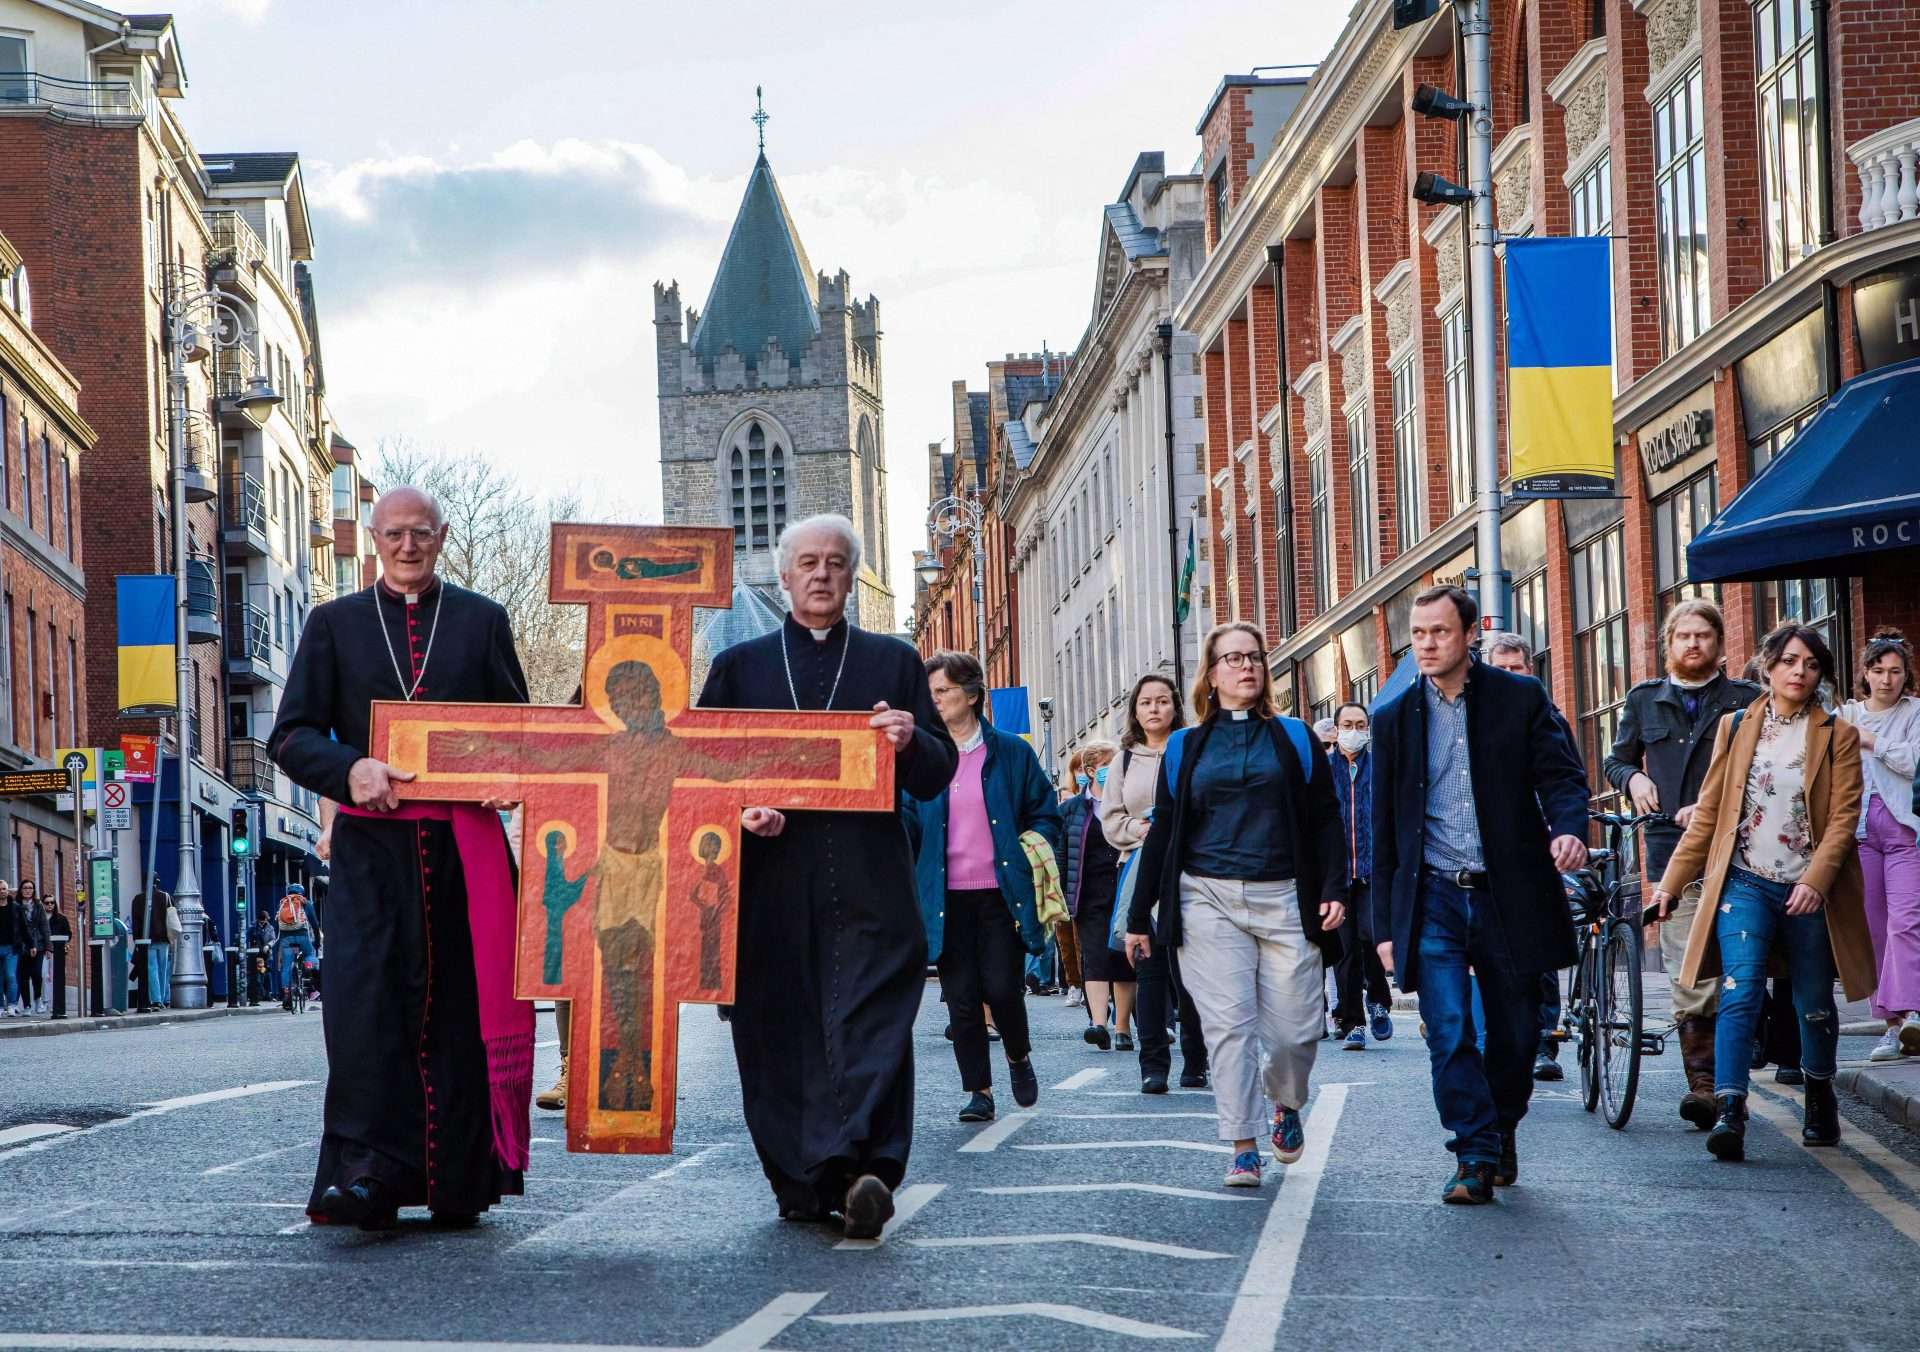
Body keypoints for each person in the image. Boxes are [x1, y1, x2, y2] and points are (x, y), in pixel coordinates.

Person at [269, 485, 534, 1230]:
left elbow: (517, 730)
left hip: (461, 856)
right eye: (394, 535)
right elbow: (288, 736)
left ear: (442, 536)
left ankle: (458, 1181)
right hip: (369, 857)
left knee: (457, 1012)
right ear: (374, 542)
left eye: (421, 533)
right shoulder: (333, 625)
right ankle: (367, 1176)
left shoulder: (483, 621)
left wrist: (514, 776)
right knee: (363, 1013)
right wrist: (349, 768)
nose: (408, 547)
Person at [696, 514, 957, 1240]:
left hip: (870, 879)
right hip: (770, 884)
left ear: (851, 576)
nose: (821, 574)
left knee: (873, 1020)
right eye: (807, 563)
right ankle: (804, 1178)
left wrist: (909, 739)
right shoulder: (739, 667)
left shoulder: (892, 660)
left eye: (836, 563)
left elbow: (939, 772)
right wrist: (741, 810)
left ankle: (863, 1168)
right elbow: (697, 783)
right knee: (777, 1029)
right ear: (783, 577)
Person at [1371, 586, 1589, 1205]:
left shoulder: (1519, 698)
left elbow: (1561, 775)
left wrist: (1570, 829)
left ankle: (1501, 1125)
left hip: (1508, 891)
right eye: (1418, 634)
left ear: (1470, 636)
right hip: (1434, 893)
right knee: (1448, 1030)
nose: (1428, 644)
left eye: (1440, 632)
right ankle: (1472, 1150)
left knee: (1519, 1033)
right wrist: (1385, 925)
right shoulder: (1392, 720)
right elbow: (1384, 829)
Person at [1124, 622, 1348, 1189]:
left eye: (1253, 658)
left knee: (1296, 1030)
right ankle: (1243, 1144)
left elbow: (1326, 819)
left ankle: (1285, 1102)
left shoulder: (1295, 738)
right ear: (1212, 673)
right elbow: (1164, 830)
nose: (1245, 667)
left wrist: (1334, 889)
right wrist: (1137, 915)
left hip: (1286, 897)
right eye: (1232, 659)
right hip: (1207, 897)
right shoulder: (1185, 745)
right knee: (1228, 1026)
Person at [1651, 624, 1875, 1160]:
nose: (1800, 672)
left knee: (1814, 1003)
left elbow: (1843, 822)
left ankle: (1819, 1095)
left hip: (1808, 889)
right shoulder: (1735, 727)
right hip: (1745, 880)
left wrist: (1815, 884)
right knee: (1740, 989)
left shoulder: (1836, 735)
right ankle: (1730, 1108)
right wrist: (1671, 884)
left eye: (1812, 665)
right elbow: (1709, 815)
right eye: (1790, 662)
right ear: (1767, 667)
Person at [1602, 599, 1763, 1125]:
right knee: (1688, 964)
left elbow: (1768, 769)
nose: (1693, 644)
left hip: (1742, 851)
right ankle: (1705, 1086)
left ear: (1719, 644)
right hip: (1673, 849)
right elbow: (1615, 759)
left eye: (1703, 636)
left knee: (1741, 965)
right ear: (1669, 644)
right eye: (1683, 636)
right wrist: (1634, 779)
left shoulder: (1747, 701)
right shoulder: (1645, 701)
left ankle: (1732, 1077)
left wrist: (1719, 805)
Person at [906, 650, 1061, 1123]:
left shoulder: (1010, 751)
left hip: (1000, 892)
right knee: (962, 1000)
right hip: (944, 899)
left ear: (971, 695)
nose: (934, 701)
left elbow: (1045, 811)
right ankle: (979, 1090)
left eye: (943, 691)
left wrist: (1029, 845)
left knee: (1003, 988)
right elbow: (907, 819)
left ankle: (1017, 1056)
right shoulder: (921, 760)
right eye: (929, 693)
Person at [1480, 632, 1583, 1083]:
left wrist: (1565, 832)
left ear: (1530, 671)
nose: (1507, 677)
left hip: (1537, 855)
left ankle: (1544, 1041)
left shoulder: (1546, 715)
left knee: (1536, 952)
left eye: (1516, 669)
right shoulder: (1471, 720)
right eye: (1498, 669)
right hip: (1484, 856)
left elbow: (1566, 779)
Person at [1102, 673, 1209, 1093]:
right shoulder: (1124, 760)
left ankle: (1195, 1060)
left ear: (1175, 706)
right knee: (1147, 967)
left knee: (1189, 972)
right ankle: (1153, 1065)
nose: (1154, 709)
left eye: (1162, 701)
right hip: (1139, 870)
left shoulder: (1189, 750)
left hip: (1187, 873)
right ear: (1135, 711)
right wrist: (1138, 830)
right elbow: (1110, 818)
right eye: (1145, 702)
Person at [1841, 629, 1920, 1062]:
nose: (1886, 679)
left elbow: (1916, 763)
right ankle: (1892, 1028)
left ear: (1906, 675)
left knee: (1905, 921)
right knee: (1873, 930)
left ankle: (1915, 1015)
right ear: (1865, 674)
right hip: (1859, 836)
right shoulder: (1845, 713)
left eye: (1895, 671)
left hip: (1906, 832)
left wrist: (1873, 742)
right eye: (1878, 670)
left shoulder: (1915, 713)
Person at [1327, 702, 1392, 1053]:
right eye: (1348, 724)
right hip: (1337, 875)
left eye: (1360, 724)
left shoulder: (1380, 767)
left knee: (1370, 937)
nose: (1354, 730)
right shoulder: (1323, 771)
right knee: (1344, 950)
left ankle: (1379, 1000)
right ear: (1336, 730)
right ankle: (1353, 1023)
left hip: (1373, 871)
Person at [1064, 740, 1133, 1052]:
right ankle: (1098, 1024)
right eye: (1107, 767)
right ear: (1091, 771)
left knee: (1122, 956)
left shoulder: (1128, 804)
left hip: (1122, 888)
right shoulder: (1072, 809)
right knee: (1093, 956)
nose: (1114, 772)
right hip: (1087, 892)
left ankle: (1122, 1028)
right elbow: (1061, 852)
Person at [276, 886, 317, 1011]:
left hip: (286, 939)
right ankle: (308, 975)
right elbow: (314, 922)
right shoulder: (305, 902)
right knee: (310, 953)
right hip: (302, 937)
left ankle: (287, 994)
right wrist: (318, 939)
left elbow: (277, 921)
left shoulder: (283, 903)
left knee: (286, 967)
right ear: (302, 893)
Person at [22, 883, 48, 1015]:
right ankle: (27, 1005)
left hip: (38, 944)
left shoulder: (38, 906)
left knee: (37, 974)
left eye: (30, 888)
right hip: (22, 945)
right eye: (25, 888)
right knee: (23, 976)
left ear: (34, 890)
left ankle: (38, 1000)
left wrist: (48, 946)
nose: (27, 890)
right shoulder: (17, 906)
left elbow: (44, 926)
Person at [0, 880, 23, 1016]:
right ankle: (0, 1006)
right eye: (0, 889)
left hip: (11, 947)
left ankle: (12, 1004)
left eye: (4, 889)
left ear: (7, 891)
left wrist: (31, 944)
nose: (1, 891)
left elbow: (23, 926)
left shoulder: (15, 907)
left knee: (11, 975)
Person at [45, 895, 70, 1019]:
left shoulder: (61, 918)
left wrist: (64, 944)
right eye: (47, 903)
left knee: (56, 977)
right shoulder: (41, 918)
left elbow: (68, 934)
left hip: (58, 952)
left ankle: (56, 1006)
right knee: (45, 977)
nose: (49, 905)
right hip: (44, 951)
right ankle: (45, 1003)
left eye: (52, 902)